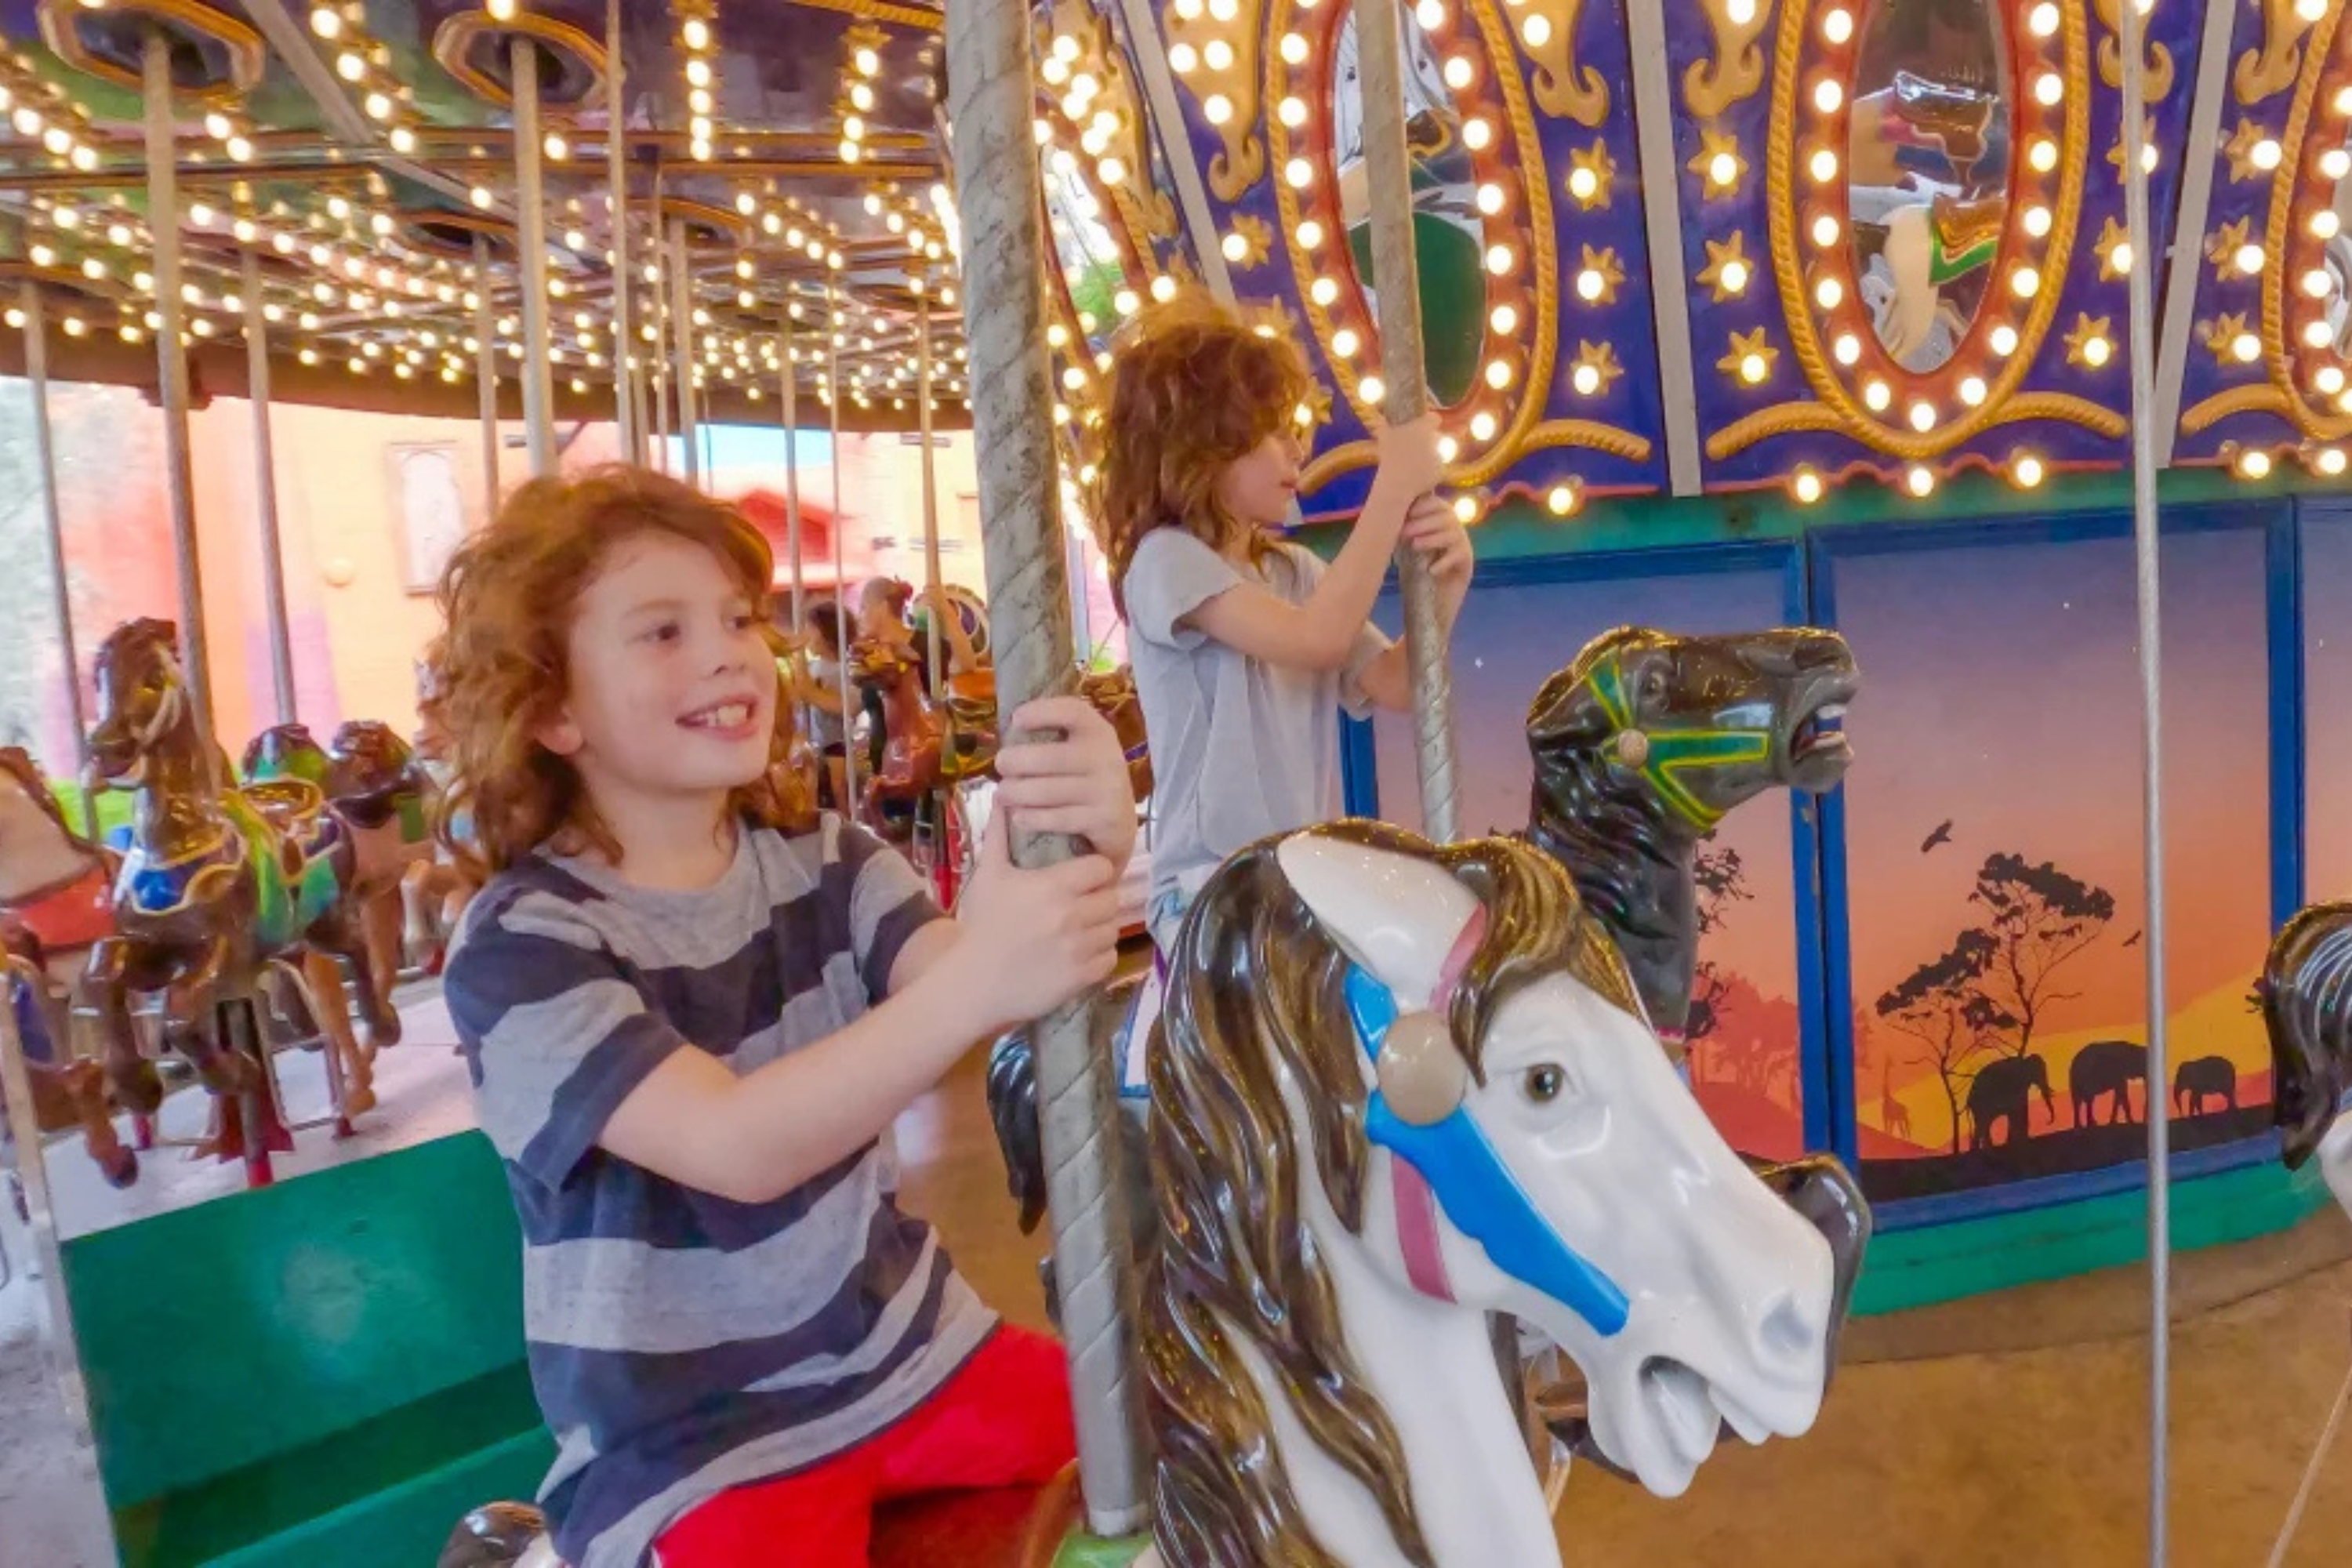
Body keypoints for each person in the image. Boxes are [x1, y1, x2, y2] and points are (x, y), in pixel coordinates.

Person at [428, 466, 1137, 1568]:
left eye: (738, 620)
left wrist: (1073, 832)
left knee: (1171, 1446)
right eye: (662, 632)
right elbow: (734, 1145)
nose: (726, 652)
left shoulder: (831, 863)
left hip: (914, 1352)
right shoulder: (522, 948)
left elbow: (979, 982)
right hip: (701, 1437)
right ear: (555, 707)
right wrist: (983, 977)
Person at [1097, 289, 1472, 954]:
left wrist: (1445, 586)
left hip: (1297, 876)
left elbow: (1396, 685)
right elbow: (1316, 640)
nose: (1296, 449)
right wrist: (1390, 491)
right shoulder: (1167, 563)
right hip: (1208, 889)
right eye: (1270, 433)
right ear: (1203, 450)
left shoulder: (1293, 572)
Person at [781, 599, 854, 812]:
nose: (806, 633)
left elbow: (845, 706)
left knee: (838, 786)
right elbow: (797, 695)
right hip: (816, 740)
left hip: (838, 740)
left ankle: (847, 820)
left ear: (826, 631)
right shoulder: (812, 667)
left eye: (810, 627)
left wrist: (808, 689)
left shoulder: (845, 669)